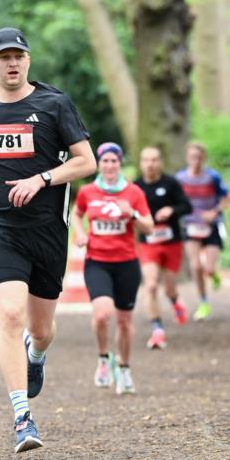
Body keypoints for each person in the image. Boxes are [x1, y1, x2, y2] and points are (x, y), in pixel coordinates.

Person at [0, 27, 95, 454]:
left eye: (19, 56)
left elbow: (85, 161)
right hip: (2, 229)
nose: (12, 63)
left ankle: (36, 355)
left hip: (48, 231)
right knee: (9, 315)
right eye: (4, 57)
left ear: (28, 61)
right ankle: (22, 417)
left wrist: (42, 178)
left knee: (41, 330)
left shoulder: (54, 104)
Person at [72, 142, 153, 394]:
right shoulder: (87, 191)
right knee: (101, 315)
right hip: (97, 262)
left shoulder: (134, 192)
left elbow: (149, 227)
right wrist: (80, 233)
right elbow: (76, 214)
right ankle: (103, 359)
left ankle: (125, 368)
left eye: (113, 161)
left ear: (120, 163)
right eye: (105, 161)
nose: (109, 166)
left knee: (125, 322)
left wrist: (133, 215)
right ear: (99, 164)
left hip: (127, 263)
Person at [134, 146, 193, 349]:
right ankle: (157, 330)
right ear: (141, 163)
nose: (150, 164)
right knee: (150, 285)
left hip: (171, 242)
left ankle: (175, 301)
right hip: (148, 243)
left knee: (169, 288)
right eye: (146, 160)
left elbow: (187, 206)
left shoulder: (171, 183)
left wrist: (171, 210)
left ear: (160, 163)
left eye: (154, 160)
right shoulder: (136, 187)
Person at [176, 141, 230, 321]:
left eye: (199, 157)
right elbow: (175, 200)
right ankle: (203, 303)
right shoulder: (180, 178)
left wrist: (214, 212)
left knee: (208, 267)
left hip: (211, 225)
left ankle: (213, 274)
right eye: (193, 157)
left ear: (203, 158)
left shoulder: (212, 177)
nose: (196, 161)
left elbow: (227, 197)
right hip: (190, 225)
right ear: (187, 158)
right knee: (196, 266)